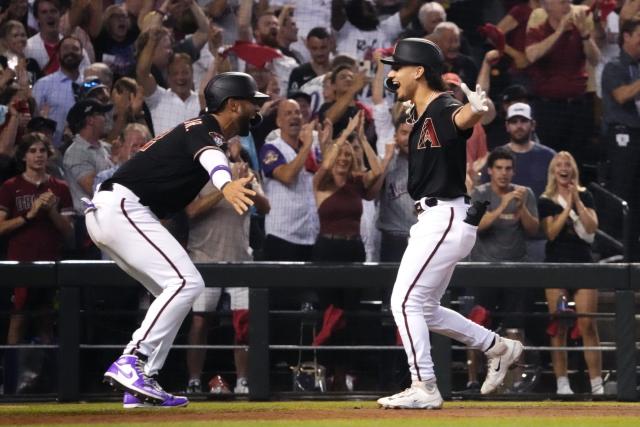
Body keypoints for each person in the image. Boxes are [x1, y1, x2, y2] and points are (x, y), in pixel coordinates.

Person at [87, 72, 267, 408]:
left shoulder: (202, 131)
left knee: (172, 293)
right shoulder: (205, 129)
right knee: (187, 282)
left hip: (114, 212)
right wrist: (226, 184)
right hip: (122, 208)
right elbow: (212, 159)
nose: (256, 110)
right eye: (252, 103)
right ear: (232, 104)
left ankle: (142, 382)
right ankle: (133, 359)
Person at [375, 38, 523, 410]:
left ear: (419, 70)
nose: (392, 73)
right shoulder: (423, 109)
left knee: (403, 302)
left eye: (398, 67)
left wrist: (474, 111)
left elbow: (461, 119)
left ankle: (424, 384)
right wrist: (401, 90)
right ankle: (499, 347)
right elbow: (408, 99)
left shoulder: (443, 107)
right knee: (424, 308)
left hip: (444, 216)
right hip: (439, 218)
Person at [465, 148, 539, 392]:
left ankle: (516, 382)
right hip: (483, 270)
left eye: (508, 168)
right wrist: (502, 205)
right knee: (478, 325)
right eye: (499, 168)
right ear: (490, 170)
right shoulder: (480, 193)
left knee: (515, 327)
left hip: (515, 269)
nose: (504, 173)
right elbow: (477, 227)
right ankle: (473, 379)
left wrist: (522, 209)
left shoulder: (524, 193)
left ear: (513, 170)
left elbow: (533, 230)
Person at [538, 151, 602, 395]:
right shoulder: (546, 200)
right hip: (556, 263)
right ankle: (562, 383)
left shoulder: (586, 196)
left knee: (587, 323)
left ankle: (597, 384)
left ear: (573, 170)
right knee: (559, 325)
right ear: (554, 171)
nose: (564, 168)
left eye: (568, 164)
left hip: (583, 262)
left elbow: (592, 227)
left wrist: (576, 200)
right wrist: (566, 208)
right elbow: (552, 232)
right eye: (559, 165)